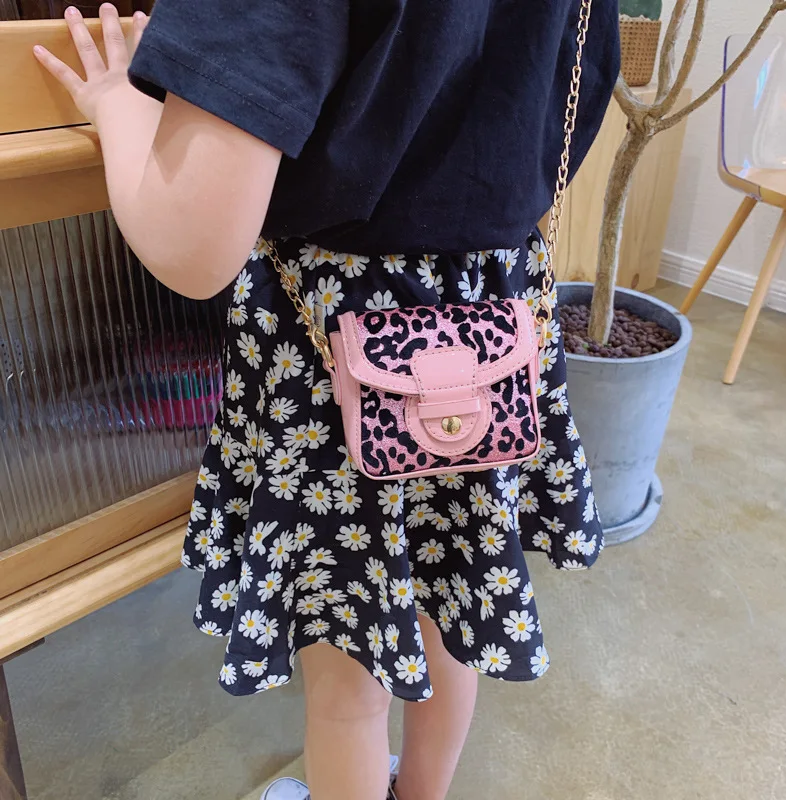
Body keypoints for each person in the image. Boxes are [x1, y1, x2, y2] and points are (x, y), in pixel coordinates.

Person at [35, 3, 620, 798]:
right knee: (452, 607)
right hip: (488, 325)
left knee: (349, 678)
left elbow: (191, 245)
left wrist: (117, 101)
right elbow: (574, 97)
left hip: (330, 342)